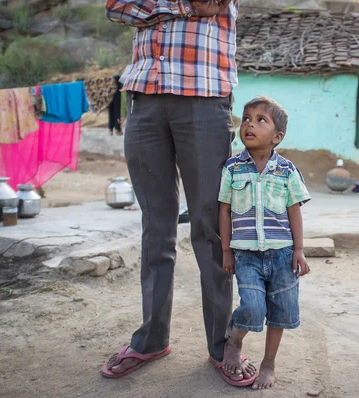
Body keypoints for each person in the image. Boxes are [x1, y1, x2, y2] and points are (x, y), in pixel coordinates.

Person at [101, 0, 257, 383]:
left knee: (210, 226)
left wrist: (158, 8)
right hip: (144, 101)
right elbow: (117, 7)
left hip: (204, 100)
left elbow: (213, 4)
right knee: (156, 226)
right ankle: (152, 338)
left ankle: (223, 345)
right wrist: (185, 7)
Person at [218, 97, 312, 389]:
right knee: (253, 308)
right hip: (246, 256)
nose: (249, 124)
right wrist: (226, 250)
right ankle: (233, 341)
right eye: (246, 118)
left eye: (261, 120)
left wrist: (299, 249)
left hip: (283, 255)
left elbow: (294, 209)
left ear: (277, 136)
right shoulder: (232, 167)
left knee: (280, 312)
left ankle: (268, 363)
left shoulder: (286, 170)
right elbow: (224, 208)